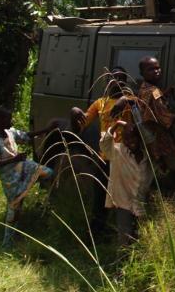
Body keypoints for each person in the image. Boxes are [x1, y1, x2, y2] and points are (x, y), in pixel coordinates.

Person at [69, 67, 132, 235]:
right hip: (106, 158)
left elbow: (138, 103)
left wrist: (125, 99)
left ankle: (125, 236)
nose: (118, 81)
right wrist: (74, 113)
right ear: (107, 81)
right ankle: (96, 233)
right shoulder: (100, 103)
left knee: (124, 199)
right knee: (100, 197)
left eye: (122, 78)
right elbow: (79, 127)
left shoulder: (131, 99)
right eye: (114, 78)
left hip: (125, 158)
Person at [0, 107, 58, 248]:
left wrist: (47, 130)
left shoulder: (10, 132)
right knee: (15, 208)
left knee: (48, 172)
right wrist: (14, 159)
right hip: (10, 179)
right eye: (7, 118)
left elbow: (26, 135)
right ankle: (7, 243)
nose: (11, 121)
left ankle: (49, 196)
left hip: (24, 168)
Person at [100, 113, 153, 248]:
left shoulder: (148, 157)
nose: (131, 142)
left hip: (140, 204)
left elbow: (152, 139)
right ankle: (120, 266)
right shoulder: (117, 152)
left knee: (140, 238)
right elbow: (104, 143)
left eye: (134, 137)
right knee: (124, 239)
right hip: (123, 203)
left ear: (139, 138)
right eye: (127, 139)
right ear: (123, 140)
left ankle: (134, 266)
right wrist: (117, 124)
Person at [135, 56, 175, 172]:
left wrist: (164, 94)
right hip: (159, 138)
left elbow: (152, 104)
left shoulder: (144, 88)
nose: (157, 71)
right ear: (142, 73)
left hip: (150, 137)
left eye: (158, 68)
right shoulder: (153, 91)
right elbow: (165, 119)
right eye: (151, 69)